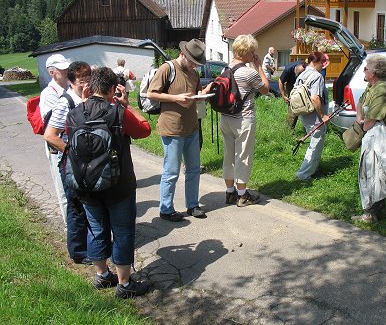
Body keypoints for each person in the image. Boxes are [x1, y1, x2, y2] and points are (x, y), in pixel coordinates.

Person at [78, 66, 151, 298]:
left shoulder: (76, 112)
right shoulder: (117, 112)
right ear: (112, 89)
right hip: (118, 184)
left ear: (90, 87)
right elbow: (145, 130)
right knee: (122, 231)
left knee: (96, 229)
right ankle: (125, 283)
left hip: (85, 184)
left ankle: (101, 275)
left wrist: (83, 102)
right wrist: (127, 105)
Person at [147, 39, 210, 222]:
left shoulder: (193, 73)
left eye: (196, 64)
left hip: (191, 127)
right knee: (171, 171)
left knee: (193, 169)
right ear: (183, 54)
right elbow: (151, 93)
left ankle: (192, 205)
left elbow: (195, 94)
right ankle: (166, 209)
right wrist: (176, 98)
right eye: (192, 62)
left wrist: (203, 94)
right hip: (172, 129)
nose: (193, 66)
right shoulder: (168, 68)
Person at [44, 61, 92, 264]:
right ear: (71, 81)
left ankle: (91, 247)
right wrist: (72, 152)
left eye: (89, 78)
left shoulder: (86, 99)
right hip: (71, 164)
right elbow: (50, 135)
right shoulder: (66, 102)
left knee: (88, 204)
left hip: (87, 164)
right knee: (76, 206)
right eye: (81, 80)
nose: (86, 83)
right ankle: (78, 252)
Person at [218, 34, 269, 207]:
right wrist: (259, 66)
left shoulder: (225, 69)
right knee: (243, 156)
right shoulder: (248, 73)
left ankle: (230, 193)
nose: (254, 54)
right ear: (248, 53)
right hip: (243, 119)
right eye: (253, 51)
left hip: (225, 118)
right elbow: (265, 89)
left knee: (229, 156)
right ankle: (242, 195)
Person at [351, 55, 386, 222]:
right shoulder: (371, 87)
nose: (364, 70)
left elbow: (372, 118)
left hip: (380, 139)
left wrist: (360, 129)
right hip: (370, 136)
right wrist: (359, 121)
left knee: (377, 173)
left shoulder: (382, 89)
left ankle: (371, 213)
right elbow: (361, 105)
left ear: (375, 72)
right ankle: (375, 210)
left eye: (366, 68)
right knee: (369, 172)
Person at [40, 54, 71, 229]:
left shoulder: (68, 88)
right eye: (62, 69)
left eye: (66, 68)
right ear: (52, 72)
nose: (66, 71)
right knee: (64, 190)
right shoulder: (49, 95)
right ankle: (70, 229)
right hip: (57, 147)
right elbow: (53, 126)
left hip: (70, 143)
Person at [294, 52, 330, 181]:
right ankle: (303, 174)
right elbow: (315, 98)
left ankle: (312, 168)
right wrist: (323, 116)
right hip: (315, 116)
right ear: (315, 62)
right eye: (322, 63)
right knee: (316, 143)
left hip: (304, 113)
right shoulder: (316, 76)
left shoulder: (302, 74)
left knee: (313, 141)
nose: (323, 66)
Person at [279, 60, 307, 129]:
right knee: (293, 105)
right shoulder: (288, 69)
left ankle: (307, 128)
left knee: (306, 103)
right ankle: (289, 128)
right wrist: (283, 95)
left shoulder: (307, 68)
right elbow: (280, 81)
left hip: (304, 85)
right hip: (291, 85)